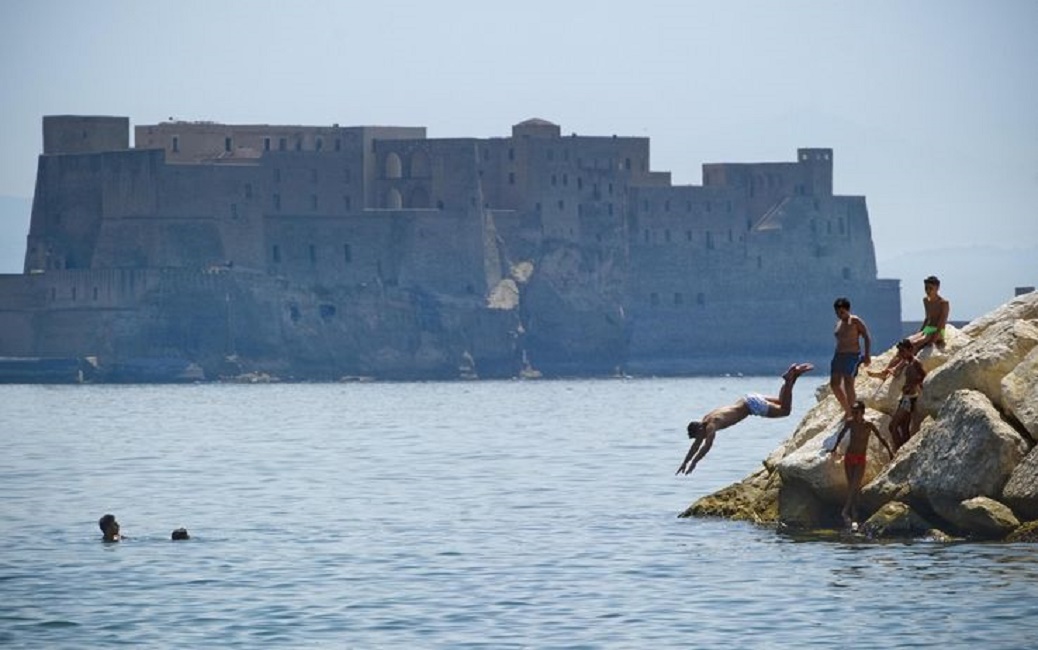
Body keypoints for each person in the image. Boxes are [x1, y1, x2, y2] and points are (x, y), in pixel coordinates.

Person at [676, 362, 814, 476]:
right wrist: (685, 462)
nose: (701, 438)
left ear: (700, 428)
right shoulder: (706, 419)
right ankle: (793, 376)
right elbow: (696, 445)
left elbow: (706, 447)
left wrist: (694, 463)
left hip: (751, 406)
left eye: (699, 436)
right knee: (780, 401)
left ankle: (789, 380)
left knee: (785, 410)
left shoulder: (711, 425)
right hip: (748, 398)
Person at [869, 275, 949, 378]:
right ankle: (885, 371)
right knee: (904, 344)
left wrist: (932, 340)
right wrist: (920, 333)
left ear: (937, 288)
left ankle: (897, 368)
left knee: (913, 345)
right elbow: (927, 318)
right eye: (926, 288)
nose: (928, 291)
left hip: (937, 332)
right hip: (928, 330)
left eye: (930, 288)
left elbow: (941, 323)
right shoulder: (926, 300)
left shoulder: (943, 303)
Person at [829, 400, 893, 527]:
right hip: (849, 456)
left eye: (856, 412)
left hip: (860, 458)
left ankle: (845, 511)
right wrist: (834, 448)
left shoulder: (868, 425)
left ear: (862, 412)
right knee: (852, 486)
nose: (854, 414)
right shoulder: (850, 423)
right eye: (852, 412)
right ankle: (854, 514)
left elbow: (880, 437)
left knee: (855, 485)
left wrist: (890, 452)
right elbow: (841, 434)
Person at [830, 297, 872, 420]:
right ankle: (847, 409)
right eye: (837, 312)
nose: (839, 314)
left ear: (848, 310)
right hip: (838, 356)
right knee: (834, 384)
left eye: (842, 312)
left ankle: (853, 410)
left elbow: (866, 336)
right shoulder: (839, 323)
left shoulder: (854, 320)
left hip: (852, 355)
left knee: (849, 382)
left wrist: (867, 355)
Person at [886, 339, 926, 450]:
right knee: (904, 427)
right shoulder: (907, 363)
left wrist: (912, 385)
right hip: (906, 398)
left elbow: (923, 376)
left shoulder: (916, 362)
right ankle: (905, 449)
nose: (901, 354)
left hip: (909, 399)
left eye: (903, 351)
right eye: (899, 351)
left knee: (892, 426)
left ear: (910, 350)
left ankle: (899, 450)